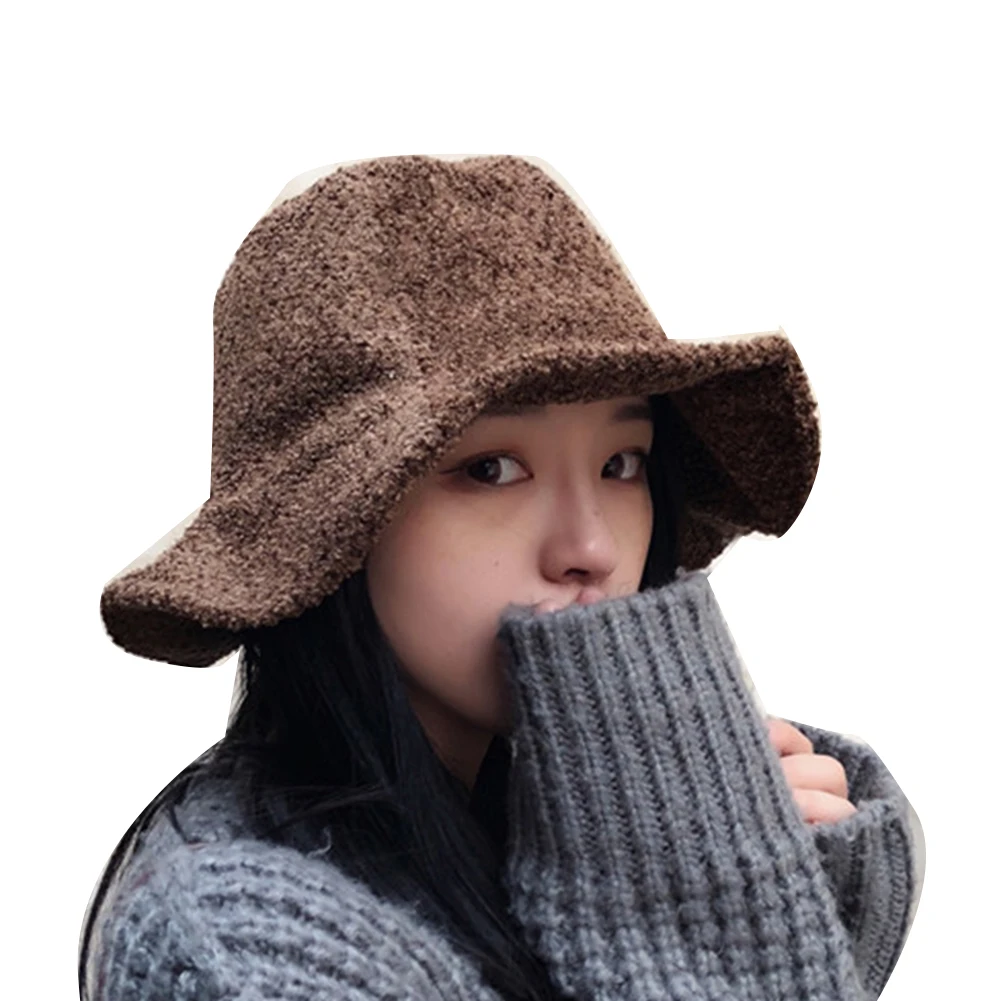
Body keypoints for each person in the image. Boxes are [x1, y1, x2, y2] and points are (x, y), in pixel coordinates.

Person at [79, 154, 924, 1001]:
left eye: (622, 463)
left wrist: (781, 888)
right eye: (490, 469)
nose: (590, 545)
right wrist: (708, 924)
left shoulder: (540, 825)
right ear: (327, 526)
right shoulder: (242, 951)